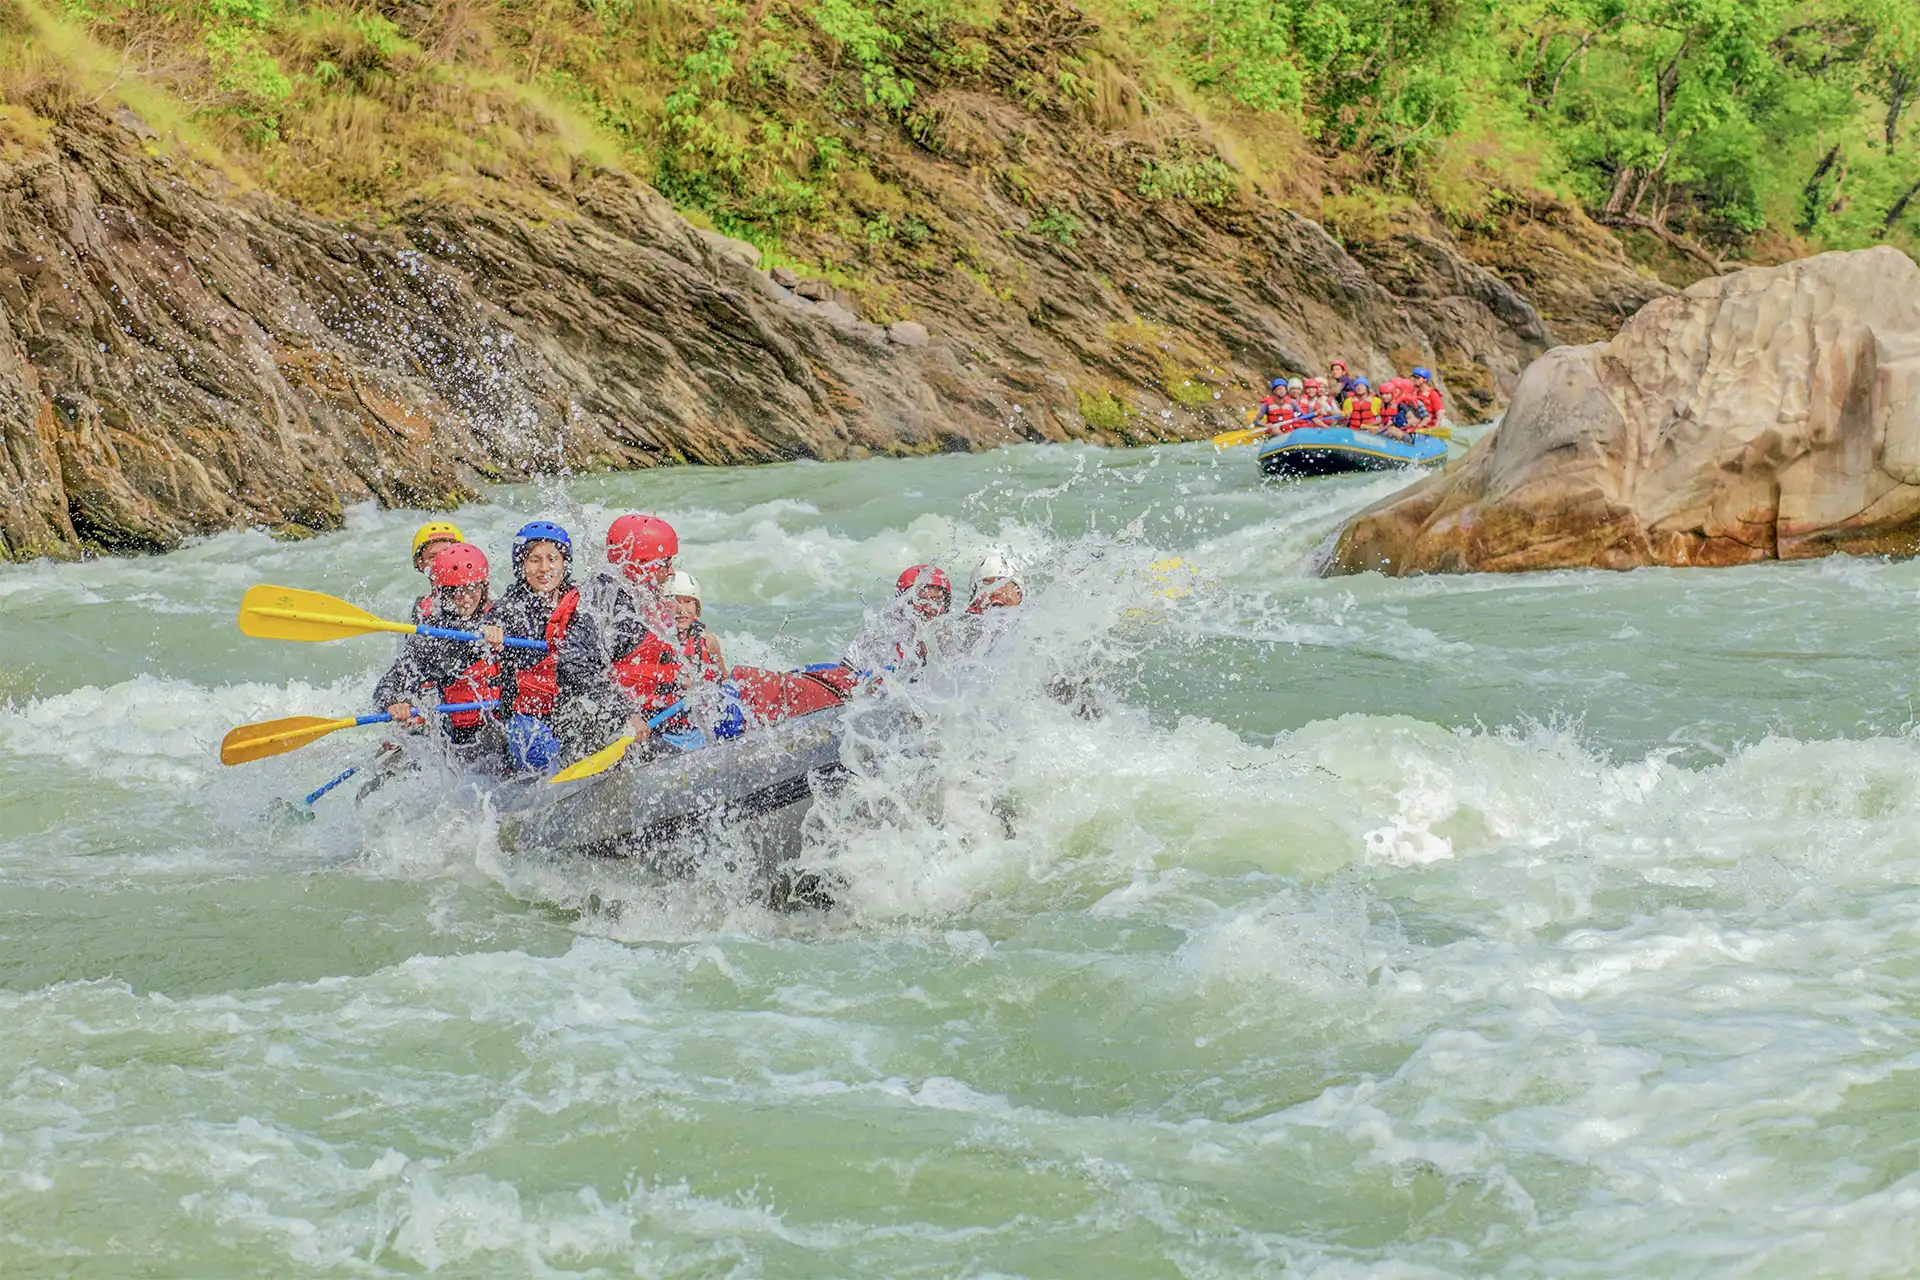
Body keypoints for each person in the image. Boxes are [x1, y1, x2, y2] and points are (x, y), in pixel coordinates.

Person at [489, 520, 607, 773]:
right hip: (526, 717)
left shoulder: (583, 603)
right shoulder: (511, 606)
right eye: (534, 560)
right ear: (521, 565)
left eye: (552, 559)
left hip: (570, 708)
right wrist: (491, 630)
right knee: (535, 747)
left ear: (565, 563)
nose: (544, 568)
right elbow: (494, 619)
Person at [373, 542, 500, 753]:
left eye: (472, 588)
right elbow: (388, 686)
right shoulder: (430, 638)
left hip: (499, 724)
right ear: (442, 592)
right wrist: (395, 703)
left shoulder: (503, 617)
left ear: (483, 588)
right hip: (455, 736)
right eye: (455, 592)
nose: (466, 598)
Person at [844, 564, 952, 674]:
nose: (929, 609)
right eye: (921, 601)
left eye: (936, 600)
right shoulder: (877, 639)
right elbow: (844, 676)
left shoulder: (954, 639)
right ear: (902, 605)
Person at [667, 569, 726, 682]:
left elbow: (725, 681)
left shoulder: (708, 641)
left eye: (688, 601)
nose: (681, 609)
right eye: (675, 602)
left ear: (697, 607)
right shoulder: (656, 640)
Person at [408, 521, 464, 623]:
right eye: (433, 557)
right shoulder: (422, 608)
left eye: (449, 553)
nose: (441, 562)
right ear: (421, 564)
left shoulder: (480, 602)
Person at [1410, 366, 1444, 431]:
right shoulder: (1414, 392)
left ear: (1425, 379)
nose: (1415, 379)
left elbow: (1440, 411)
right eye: (1413, 377)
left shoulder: (1433, 393)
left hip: (1428, 424)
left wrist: (1437, 425)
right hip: (1416, 421)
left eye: (1417, 378)